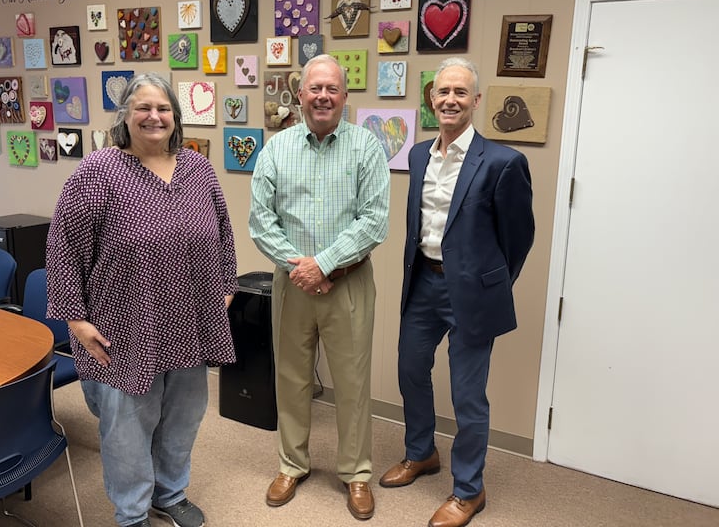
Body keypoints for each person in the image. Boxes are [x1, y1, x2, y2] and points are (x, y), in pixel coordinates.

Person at [46, 73, 238, 527]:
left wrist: (224, 287)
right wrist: (75, 319)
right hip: (123, 324)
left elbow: (223, 235)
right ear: (126, 117)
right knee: (128, 426)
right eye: (143, 108)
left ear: (176, 116)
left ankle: (169, 493)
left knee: (184, 416)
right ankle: (132, 513)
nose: (155, 116)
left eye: (164, 108)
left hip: (190, 322)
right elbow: (63, 246)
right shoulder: (97, 172)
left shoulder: (198, 169)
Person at [379, 58, 534, 527]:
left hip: (471, 292)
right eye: (443, 92)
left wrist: (491, 286)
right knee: (410, 371)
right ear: (431, 99)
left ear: (476, 101)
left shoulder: (504, 162)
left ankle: (469, 489)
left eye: (460, 93)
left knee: (468, 395)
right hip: (423, 280)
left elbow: (519, 237)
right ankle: (421, 452)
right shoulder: (420, 154)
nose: (450, 100)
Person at [248, 54, 390, 521]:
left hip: (348, 284)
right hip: (292, 285)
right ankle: (292, 463)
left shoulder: (367, 148)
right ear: (301, 95)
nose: (323, 96)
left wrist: (325, 264)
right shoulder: (277, 149)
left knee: (352, 383)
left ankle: (356, 474)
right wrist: (301, 267)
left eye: (332, 88)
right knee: (290, 378)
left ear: (345, 97)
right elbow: (260, 221)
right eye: (315, 88)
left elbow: (374, 221)